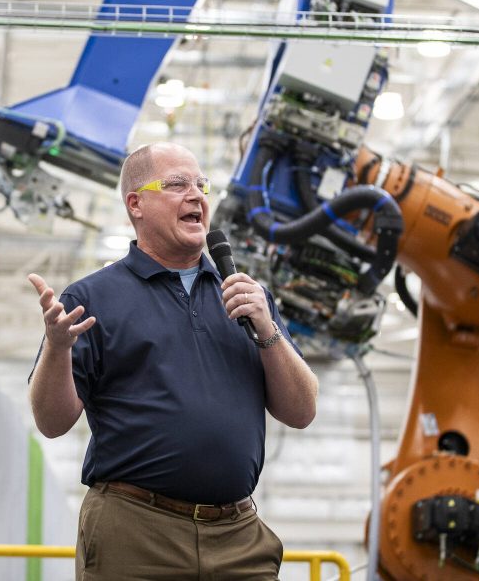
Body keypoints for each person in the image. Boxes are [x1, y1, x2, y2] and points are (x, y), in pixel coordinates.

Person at [28, 141, 318, 581]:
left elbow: (301, 411)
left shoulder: (245, 296)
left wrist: (267, 328)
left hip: (238, 536)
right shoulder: (91, 299)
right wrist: (57, 347)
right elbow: (52, 422)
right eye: (177, 184)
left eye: (201, 185)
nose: (197, 195)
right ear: (136, 204)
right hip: (136, 535)